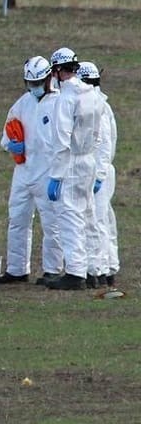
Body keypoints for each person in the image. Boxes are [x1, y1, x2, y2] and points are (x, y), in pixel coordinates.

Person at [0, 56, 61, 284]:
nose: (34, 88)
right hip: (23, 170)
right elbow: (7, 134)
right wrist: (12, 145)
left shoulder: (61, 104)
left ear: (50, 77)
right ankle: (17, 269)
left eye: (38, 82)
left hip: (48, 171)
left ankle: (52, 270)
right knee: (17, 219)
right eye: (30, 84)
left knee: (51, 222)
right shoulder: (22, 103)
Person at [45, 47, 107, 290]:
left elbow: (61, 141)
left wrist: (56, 176)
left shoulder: (66, 99)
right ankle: (95, 270)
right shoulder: (92, 95)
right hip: (89, 159)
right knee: (88, 215)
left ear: (59, 71)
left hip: (71, 163)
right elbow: (99, 135)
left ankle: (75, 272)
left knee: (69, 216)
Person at [79, 61, 118, 286]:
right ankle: (109, 265)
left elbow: (103, 145)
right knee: (104, 219)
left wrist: (99, 176)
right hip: (99, 169)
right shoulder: (99, 103)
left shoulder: (97, 107)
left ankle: (99, 269)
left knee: (97, 220)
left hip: (98, 170)